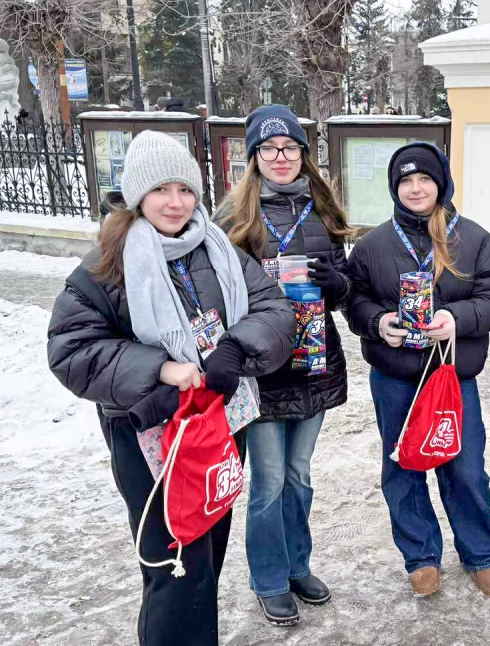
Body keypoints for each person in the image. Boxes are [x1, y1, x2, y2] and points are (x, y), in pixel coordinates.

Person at [46, 131, 294, 646]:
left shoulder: (219, 249)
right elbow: (71, 351)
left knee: (208, 556)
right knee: (174, 564)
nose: (176, 202)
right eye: (161, 190)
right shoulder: (104, 268)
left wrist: (233, 346)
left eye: (185, 188)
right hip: (151, 437)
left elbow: (274, 309)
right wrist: (160, 367)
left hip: (218, 424)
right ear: (138, 195)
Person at [345, 142, 490, 598]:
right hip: (395, 377)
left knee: (464, 467)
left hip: (452, 377)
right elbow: (354, 301)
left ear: (441, 184)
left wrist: (457, 319)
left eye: (424, 179)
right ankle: (420, 556)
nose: (416, 188)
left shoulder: (473, 239)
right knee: (403, 467)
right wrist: (380, 324)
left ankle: (481, 554)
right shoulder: (373, 245)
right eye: (406, 181)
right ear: (395, 188)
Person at [215, 104, 354, 626]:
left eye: (290, 148)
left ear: (303, 155)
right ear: (254, 157)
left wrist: (339, 286)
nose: (280, 157)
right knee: (269, 480)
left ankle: (298, 565)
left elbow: (345, 280)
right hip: (262, 366)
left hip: (315, 360)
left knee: (299, 475)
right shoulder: (232, 219)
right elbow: (216, 293)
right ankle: (269, 578)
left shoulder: (322, 210)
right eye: (269, 149)